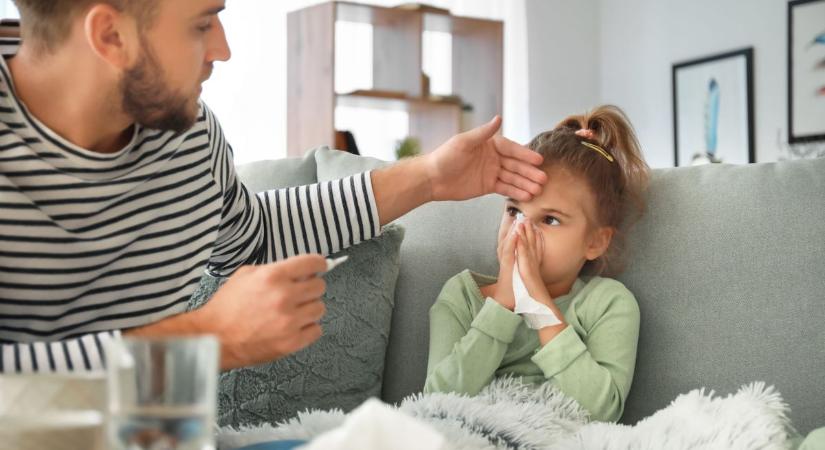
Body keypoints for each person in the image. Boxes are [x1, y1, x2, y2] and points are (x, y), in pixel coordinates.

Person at [0, 0, 549, 373]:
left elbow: (253, 234)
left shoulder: (187, 135)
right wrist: (203, 341)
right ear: (110, 35)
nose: (223, 49)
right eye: (200, 23)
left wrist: (429, 176)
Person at [424, 105, 651, 422]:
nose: (521, 231)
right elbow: (434, 401)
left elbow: (603, 412)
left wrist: (540, 308)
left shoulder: (608, 303)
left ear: (596, 242)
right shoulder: (463, 296)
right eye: (514, 211)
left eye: (550, 219)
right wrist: (503, 303)